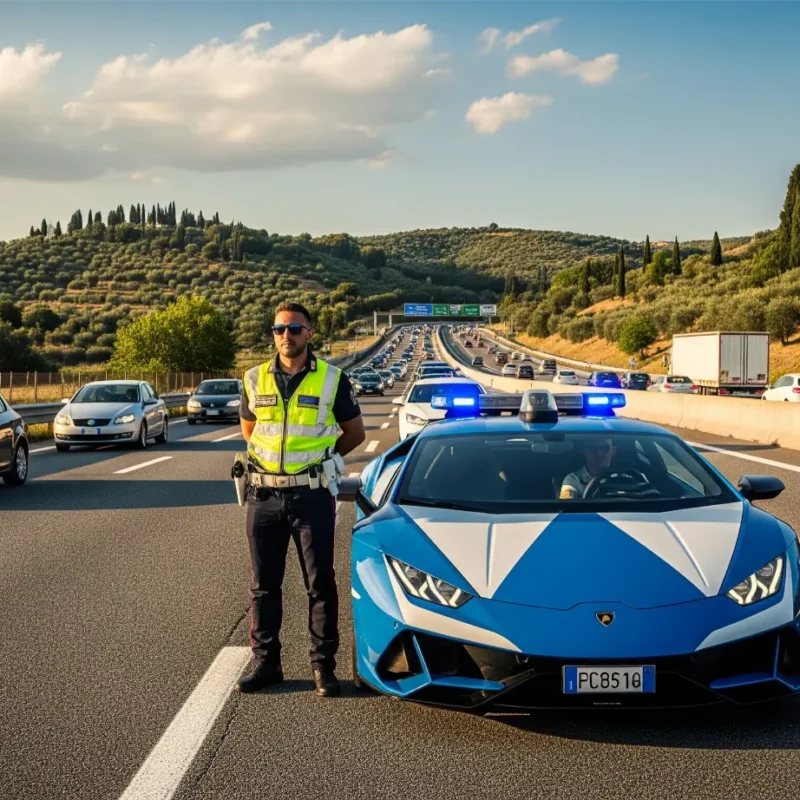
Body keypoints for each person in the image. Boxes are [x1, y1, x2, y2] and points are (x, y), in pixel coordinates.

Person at [236, 302, 366, 697]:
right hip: (264, 495)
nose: (285, 336)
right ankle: (266, 663)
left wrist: (323, 461)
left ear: (310, 333)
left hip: (310, 496)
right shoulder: (254, 378)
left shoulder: (331, 379)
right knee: (264, 585)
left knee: (320, 584)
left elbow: (355, 433)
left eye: (294, 328)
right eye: (279, 329)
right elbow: (250, 432)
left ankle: (323, 667)